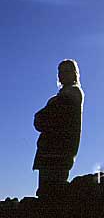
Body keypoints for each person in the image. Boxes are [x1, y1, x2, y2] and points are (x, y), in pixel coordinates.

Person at [33, 59, 84, 199]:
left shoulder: (72, 94)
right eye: (60, 72)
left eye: (66, 71)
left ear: (74, 73)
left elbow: (44, 119)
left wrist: (42, 113)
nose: (62, 75)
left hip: (58, 154)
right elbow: (41, 120)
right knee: (46, 194)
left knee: (52, 195)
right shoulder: (61, 96)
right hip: (50, 154)